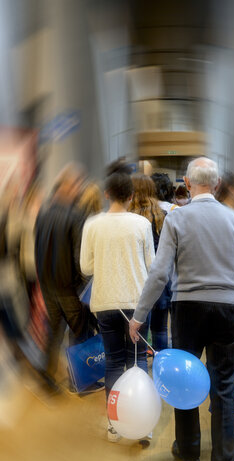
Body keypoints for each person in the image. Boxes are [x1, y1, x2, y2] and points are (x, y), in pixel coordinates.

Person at [129, 157, 234, 461]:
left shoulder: (177, 218)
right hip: (230, 309)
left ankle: (187, 449)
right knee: (223, 390)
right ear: (215, 185)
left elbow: (159, 273)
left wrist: (139, 315)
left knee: (181, 376)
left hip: (186, 309)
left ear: (187, 183)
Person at [80, 161, 155, 442]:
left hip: (105, 303)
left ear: (107, 193)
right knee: (137, 362)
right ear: (131, 196)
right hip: (136, 304)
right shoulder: (142, 224)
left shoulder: (92, 225)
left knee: (113, 363)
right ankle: (143, 424)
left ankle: (115, 425)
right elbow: (152, 266)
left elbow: (86, 267)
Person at [34, 162, 96, 392]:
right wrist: (85, 284)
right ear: (70, 187)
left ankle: (46, 376)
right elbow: (78, 257)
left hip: (48, 285)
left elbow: (37, 249)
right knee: (78, 333)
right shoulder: (76, 215)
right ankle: (78, 382)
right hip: (69, 287)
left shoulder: (44, 212)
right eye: (78, 185)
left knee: (54, 331)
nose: (79, 190)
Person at [129, 174, 169, 351]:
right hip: (160, 278)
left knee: (137, 327)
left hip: (136, 279)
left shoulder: (128, 217)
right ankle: (161, 364)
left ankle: (139, 365)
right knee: (160, 328)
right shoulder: (163, 215)